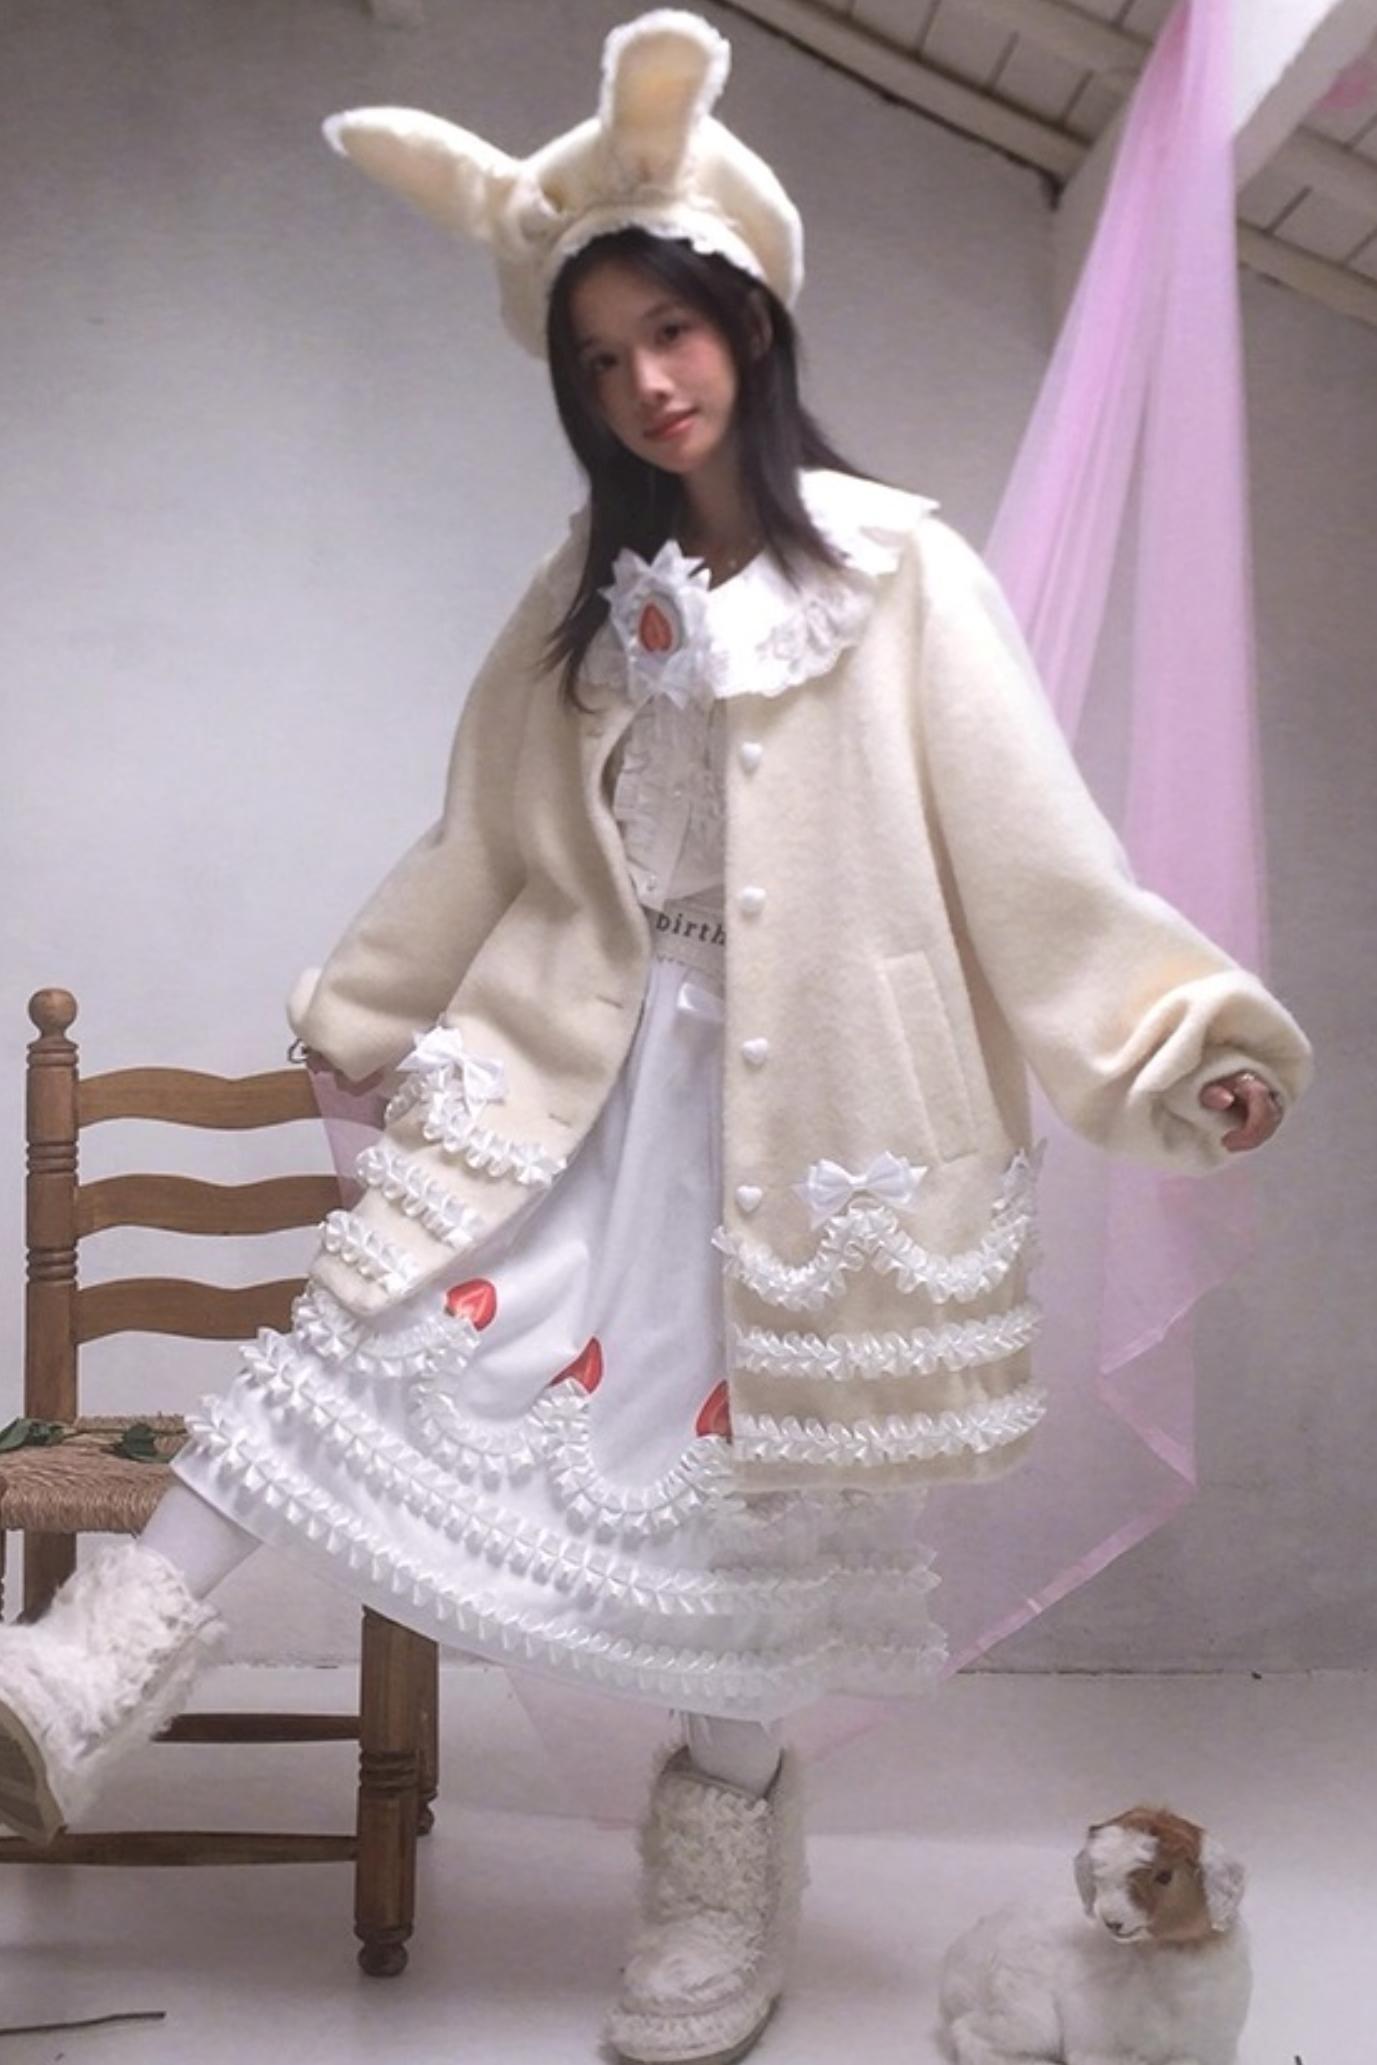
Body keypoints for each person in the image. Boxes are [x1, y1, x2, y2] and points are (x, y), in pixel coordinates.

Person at [0, 13, 1312, 2064]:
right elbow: (481, 835)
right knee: (354, 1346)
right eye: (601, 358)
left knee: (746, 1504)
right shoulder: (585, 596)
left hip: (809, 1129)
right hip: (577, 1084)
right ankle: (73, 1681)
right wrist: (362, 1012)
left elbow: (1039, 867)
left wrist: (1172, 1045)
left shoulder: (899, 576)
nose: (645, 381)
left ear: (750, 317)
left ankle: (716, 1883)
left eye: (672, 330)